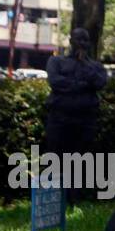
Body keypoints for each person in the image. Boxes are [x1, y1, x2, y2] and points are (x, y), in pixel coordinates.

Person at [45, 28, 107, 202]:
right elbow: (56, 82)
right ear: (70, 41)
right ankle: (55, 197)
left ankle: (74, 198)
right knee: (56, 158)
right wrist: (82, 85)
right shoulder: (56, 61)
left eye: (85, 40)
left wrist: (84, 67)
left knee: (79, 160)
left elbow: (100, 82)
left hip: (85, 119)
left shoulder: (95, 66)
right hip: (59, 118)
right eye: (78, 39)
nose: (81, 43)